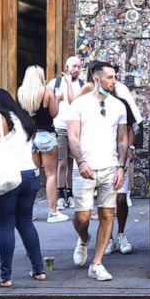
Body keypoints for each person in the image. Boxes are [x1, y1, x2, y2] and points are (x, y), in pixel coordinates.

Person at [67, 61, 129, 282]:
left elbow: (123, 139)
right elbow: (72, 136)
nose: (113, 82)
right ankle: (83, 239)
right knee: (82, 217)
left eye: (114, 78)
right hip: (85, 167)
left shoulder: (118, 106)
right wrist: (81, 161)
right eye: (110, 77)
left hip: (110, 167)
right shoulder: (79, 104)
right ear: (97, 79)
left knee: (106, 213)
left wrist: (121, 167)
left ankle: (97, 263)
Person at [0, 88, 46, 287]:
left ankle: (5, 276)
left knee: (5, 225)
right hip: (29, 174)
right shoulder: (23, 117)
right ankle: (39, 270)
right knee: (26, 222)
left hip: (8, 177)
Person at [18, 65, 66, 223]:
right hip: (46, 135)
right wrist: (57, 99)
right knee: (51, 175)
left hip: (29, 137)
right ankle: (53, 212)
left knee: (33, 174)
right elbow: (54, 113)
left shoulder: (21, 92)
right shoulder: (47, 91)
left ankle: (28, 212)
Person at [106, 78, 142, 256]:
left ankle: (120, 233)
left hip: (120, 155)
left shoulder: (121, 104)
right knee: (106, 201)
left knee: (121, 198)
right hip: (102, 155)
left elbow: (131, 128)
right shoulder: (91, 104)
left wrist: (131, 147)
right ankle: (108, 237)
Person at [50, 56, 84, 211]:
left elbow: (77, 104)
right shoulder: (55, 83)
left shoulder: (83, 85)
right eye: (73, 66)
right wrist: (56, 100)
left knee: (71, 162)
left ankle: (69, 194)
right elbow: (48, 104)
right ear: (66, 66)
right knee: (61, 162)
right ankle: (60, 194)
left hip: (76, 128)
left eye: (78, 66)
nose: (75, 69)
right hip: (60, 127)